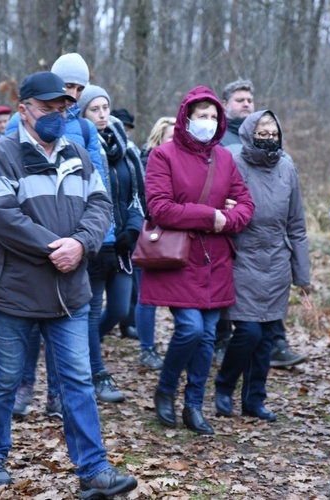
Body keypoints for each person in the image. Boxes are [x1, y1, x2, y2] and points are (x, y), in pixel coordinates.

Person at [0, 71, 138, 497]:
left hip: (70, 291)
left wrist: (81, 245)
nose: (57, 116)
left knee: (78, 381)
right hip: (15, 291)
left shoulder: (79, 153)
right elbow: (1, 218)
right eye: (48, 109)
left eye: (63, 109)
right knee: (6, 378)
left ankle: (94, 470)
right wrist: (55, 247)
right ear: (24, 110)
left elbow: (101, 204)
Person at [142, 86, 254, 435]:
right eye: (200, 116)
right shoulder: (163, 155)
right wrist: (212, 216)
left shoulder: (224, 158)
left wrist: (228, 220)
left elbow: (246, 204)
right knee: (190, 329)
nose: (207, 122)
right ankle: (165, 389)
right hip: (179, 258)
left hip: (215, 260)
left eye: (212, 117)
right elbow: (159, 207)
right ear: (185, 118)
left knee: (207, 336)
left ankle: (193, 405)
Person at [9, 53, 106, 420]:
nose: (74, 94)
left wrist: (85, 240)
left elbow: (99, 191)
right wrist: (50, 245)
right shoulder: (12, 139)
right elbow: (5, 205)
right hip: (29, 263)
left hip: (73, 253)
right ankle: (23, 387)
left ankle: (56, 395)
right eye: (69, 86)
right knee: (27, 337)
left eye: (79, 88)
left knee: (70, 351)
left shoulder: (83, 132)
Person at [214, 110, 310, 423]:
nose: (268, 139)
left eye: (273, 134)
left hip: (277, 261)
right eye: (262, 133)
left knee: (267, 336)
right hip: (242, 257)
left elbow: (296, 223)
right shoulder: (232, 161)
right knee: (248, 332)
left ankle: (254, 399)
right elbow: (214, 203)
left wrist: (302, 273)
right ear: (249, 133)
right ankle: (224, 386)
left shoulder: (287, 166)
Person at [78, 85, 144, 403]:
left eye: (105, 107)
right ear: (83, 113)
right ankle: (96, 371)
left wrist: (132, 229)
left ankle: (82, 345)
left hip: (122, 244)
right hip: (95, 243)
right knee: (91, 312)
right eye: (95, 109)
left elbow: (135, 194)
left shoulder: (124, 145)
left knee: (118, 308)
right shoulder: (81, 145)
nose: (103, 115)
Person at [129, 116, 175, 370]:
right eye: (171, 137)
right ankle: (147, 349)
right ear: (158, 139)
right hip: (148, 239)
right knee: (147, 297)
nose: (176, 142)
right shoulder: (143, 164)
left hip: (179, 240)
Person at [220, 78, 255, 149]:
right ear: (225, 105)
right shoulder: (216, 138)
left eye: (249, 101)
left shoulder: (264, 134)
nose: (246, 104)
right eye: (240, 100)